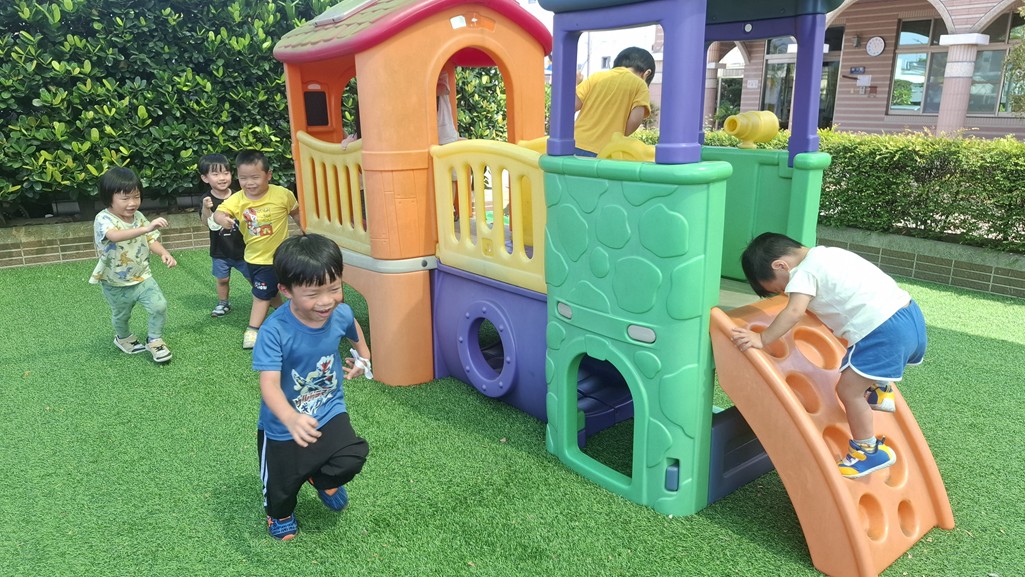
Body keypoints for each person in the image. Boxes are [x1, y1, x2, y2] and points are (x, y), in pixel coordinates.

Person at [729, 232, 927, 479]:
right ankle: (879, 387)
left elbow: (794, 312)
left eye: (783, 288)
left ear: (781, 265)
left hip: (884, 331)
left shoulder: (803, 273)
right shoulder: (831, 254)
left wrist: (762, 338)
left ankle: (868, 450)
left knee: (848, 391)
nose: (788, 293)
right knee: (857, 360)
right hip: (910, 317)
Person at [254, 233, 372, 540]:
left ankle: (320, 478)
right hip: (283, 423)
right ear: (286, 290)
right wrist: (290, 418)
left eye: (334, 288)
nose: (326, 301)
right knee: (281, 483)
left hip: (329, 407)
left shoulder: (339, 312)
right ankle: (279, 514)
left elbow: (352, 328)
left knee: (352, 455)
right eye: (313, 293)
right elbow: (268, 385)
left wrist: (363, 357)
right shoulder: (274, 331)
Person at [213, 150, 301, 350]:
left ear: (268, 175)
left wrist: (309, 235)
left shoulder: (282, 194)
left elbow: (297, 214)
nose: (249, 183)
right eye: (243, 178)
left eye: (255, 177)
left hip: (280, 258)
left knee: (262, 295)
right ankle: (289, 318)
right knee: (269, 291)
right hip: (254, 259)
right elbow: (219, 212)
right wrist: (222, 219)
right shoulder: (238, 199)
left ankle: (253, 329)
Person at [89, 167, 176, 363]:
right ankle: (123, 338)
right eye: (125, 198)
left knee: (159, 306)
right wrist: (146, 228)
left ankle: (155, 340)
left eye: (136, 197)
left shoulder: (139, 217)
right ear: (109, 198)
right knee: (122, 315)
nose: (132, 203)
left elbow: (150, 239)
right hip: (115, 282)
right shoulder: (103, 219)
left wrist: (164, 253)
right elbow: (114, 236)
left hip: (143, 276)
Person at [573, 46, 656, 157]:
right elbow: (635, 120)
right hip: (606, 151)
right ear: (646, 73)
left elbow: (573, 105)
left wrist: (576, 84)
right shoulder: (640, 85)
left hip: (576, 143)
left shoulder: (596, 77)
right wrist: (620, 136)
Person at [198, 154, 249, 317]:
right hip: (220, 251)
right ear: (205, 178)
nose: (222, 178)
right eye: (216, 174)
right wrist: (206, 208)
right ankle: (223, 303)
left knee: (252, 277)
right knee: (222, 279)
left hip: (243, 249)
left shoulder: (239, 196)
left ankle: (265, 297)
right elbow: (207, 222)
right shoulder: (206, 199)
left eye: (226, 173)